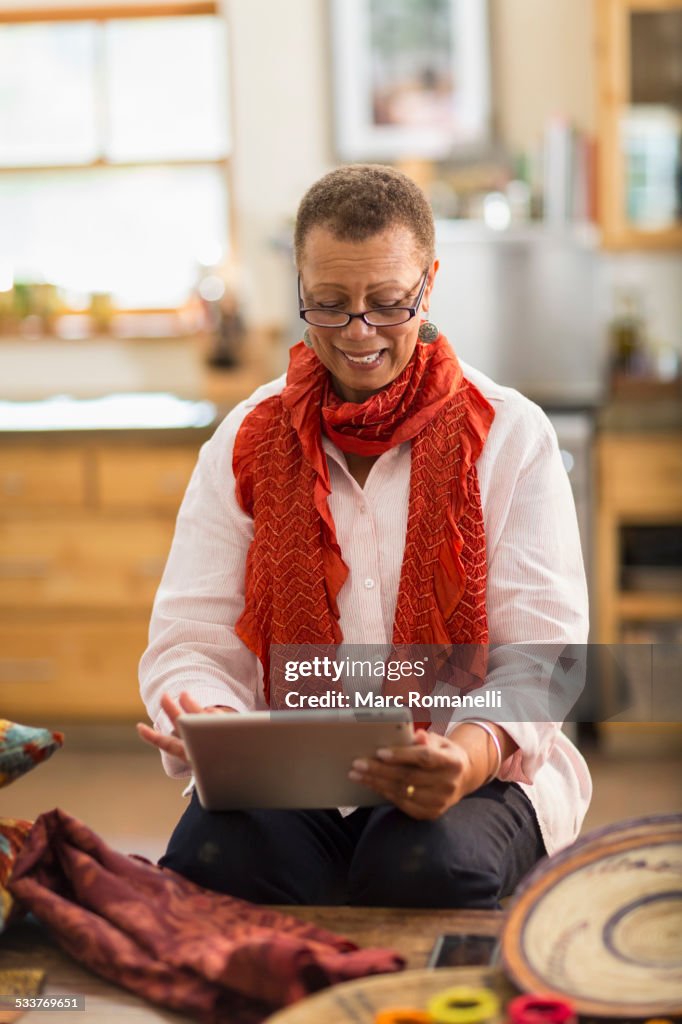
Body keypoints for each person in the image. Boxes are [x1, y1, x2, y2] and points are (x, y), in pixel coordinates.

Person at [138, 164, 591, 909]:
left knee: (423, 863)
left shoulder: (511, 434)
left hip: (471, 768)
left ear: (429, 284)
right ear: (299, 288)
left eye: (387, 305)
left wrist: (470, 757)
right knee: (207, 852)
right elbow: (190, 637)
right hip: (294, 781)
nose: (358, 334)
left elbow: (546, 655)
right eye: (329, 304)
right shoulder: (245, 440)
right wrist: (208, 720)